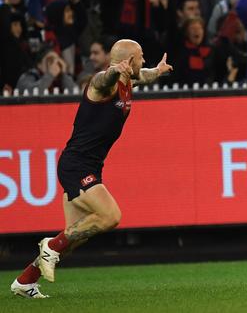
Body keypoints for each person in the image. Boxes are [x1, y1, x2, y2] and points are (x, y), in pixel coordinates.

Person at [10, 39, 173, 298]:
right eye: (140, 57)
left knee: (74, 240)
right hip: (76, 165)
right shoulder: (103, 83)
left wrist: (159, 70)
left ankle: (25, 281)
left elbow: (144, 75)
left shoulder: (128, 80)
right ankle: (49, 245)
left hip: (89, 166)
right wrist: (111, 71)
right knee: (110, 216)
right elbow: (101, 80)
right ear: (128, 61)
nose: (143, 61)